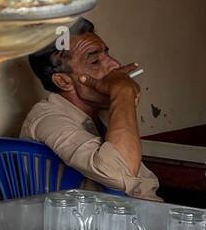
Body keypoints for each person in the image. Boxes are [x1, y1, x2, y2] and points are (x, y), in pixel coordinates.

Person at [21, 18, 161, 200]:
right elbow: (119, 174)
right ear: (63, 81)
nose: (115, 65)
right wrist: (123, 93)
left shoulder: (100, 113)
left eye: (107, 55)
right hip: (81, 225)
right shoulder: (47, 118)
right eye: (95, 61)